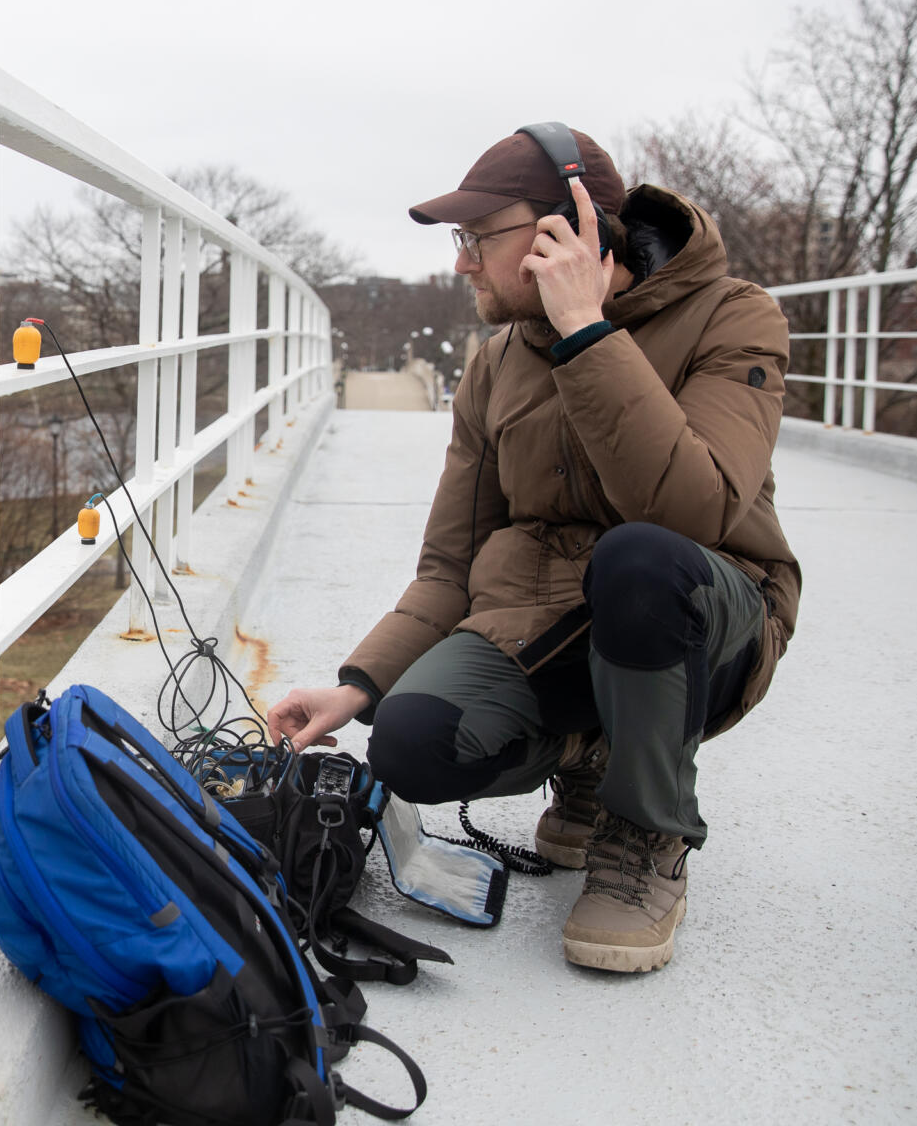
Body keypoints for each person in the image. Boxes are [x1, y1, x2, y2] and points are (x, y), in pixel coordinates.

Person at [267, 126, 800, 973]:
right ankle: (597, 757)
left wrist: (586, 330)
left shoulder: (734, 316)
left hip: (705, 610)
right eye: (460, 241)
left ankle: (646, 836)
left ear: (571, 227)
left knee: (640, 563)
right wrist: (358, 683)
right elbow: (451, 563)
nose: (462, 263)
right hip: (551, 625)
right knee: (408, 741)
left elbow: (693, 509)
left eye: (479, 238)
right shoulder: (495, 363)